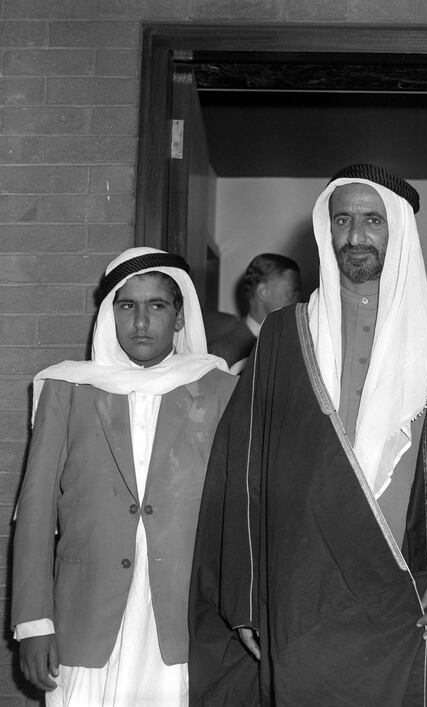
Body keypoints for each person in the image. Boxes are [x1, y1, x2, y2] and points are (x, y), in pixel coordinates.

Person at [189, 164, 427, 705]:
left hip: (418, 594)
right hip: (305, 598)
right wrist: (247, 596)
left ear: (398, 230)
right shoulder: (285, 335)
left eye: (372, 220)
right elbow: (244, 469)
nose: (355, 235)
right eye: (343, 220)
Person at [12, 247, 236, 706]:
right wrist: (34, 623)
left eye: (157, 305)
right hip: (85, 617)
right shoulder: (66, 389)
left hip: (183, 619)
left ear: (179, 318)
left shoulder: (221, 391)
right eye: (126, 305)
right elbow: (35, 510)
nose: (140, 321)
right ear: (109, 313)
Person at [208, 253, 301, 372]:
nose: (300, 301)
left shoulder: (294, 344)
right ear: (263, 292)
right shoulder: (218, 354)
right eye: (292, 293)